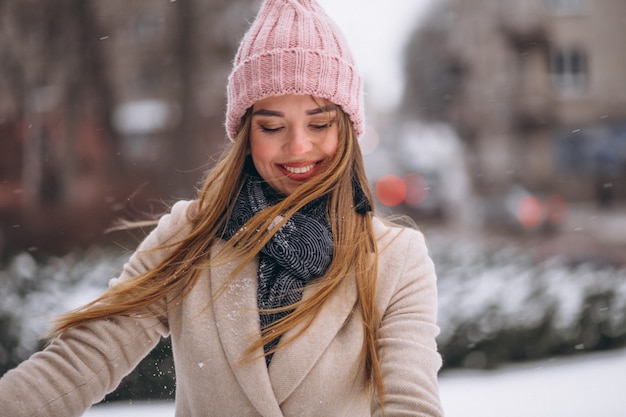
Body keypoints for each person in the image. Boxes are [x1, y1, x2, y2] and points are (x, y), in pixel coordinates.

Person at [0, 0, 444, 415]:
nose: (298, 146)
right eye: (272, 126)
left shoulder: (395, 260)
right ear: (246, 136)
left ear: (347, 129)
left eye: (320, 123)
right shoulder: (188, 235)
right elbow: (81, 362)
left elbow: (410, 403)